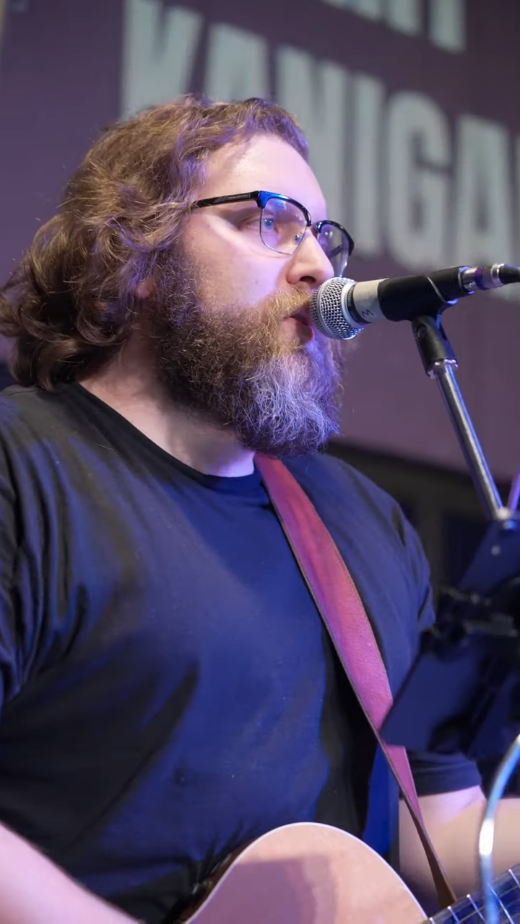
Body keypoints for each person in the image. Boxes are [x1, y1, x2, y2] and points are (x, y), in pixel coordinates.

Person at [0, 95, 517, 924]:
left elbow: (446, 834)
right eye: (267, 219)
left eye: (320, 232)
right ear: (132, 254)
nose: (318, 266)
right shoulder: (21, 469)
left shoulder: (366, 524)